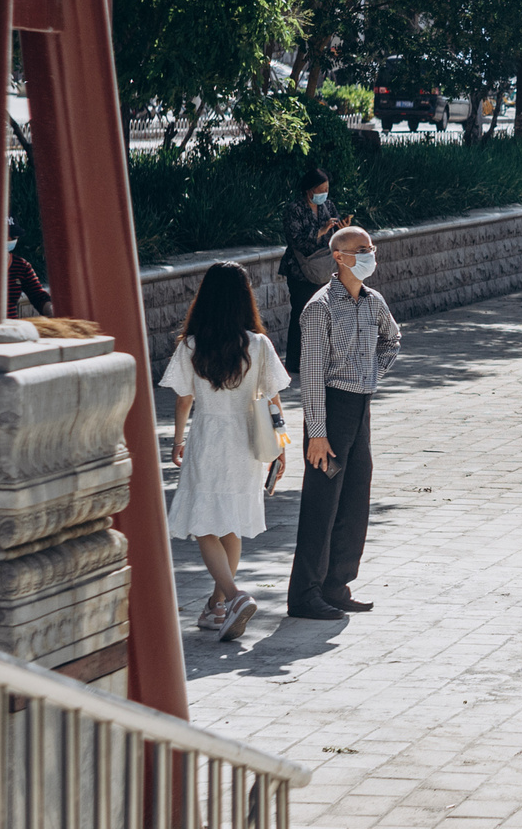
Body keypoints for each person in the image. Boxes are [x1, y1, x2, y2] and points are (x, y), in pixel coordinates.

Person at [164, 261, 289, 642]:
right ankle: (217, 607)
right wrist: (281, 449)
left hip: (208, 437)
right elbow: (273, 400)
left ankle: (233, 596)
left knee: (204, 524)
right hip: (247, 441)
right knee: (231, 523)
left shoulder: (191, 344)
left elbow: (184, 399)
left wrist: (177, 440)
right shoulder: (259, 344)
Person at [289, 223, 400, 619]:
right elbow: (312, 375)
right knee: (323, 503)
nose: (370, 253)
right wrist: (316, 434)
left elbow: (393, 340)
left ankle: (337, 584)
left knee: (355, 498)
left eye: (371, 246)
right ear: (339, 257)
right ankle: (305, 593)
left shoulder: (373, 302)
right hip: (331, 412)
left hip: (360, 407)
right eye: (362, 248)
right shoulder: (319, 308)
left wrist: (371, 374)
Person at [281, 168, 343, 371]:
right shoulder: (294, 209)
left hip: (324, 267)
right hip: (300, 270)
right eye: (320, 189)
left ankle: (321, 358)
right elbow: (295, 240)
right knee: (301, 313)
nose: (324, 193)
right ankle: (296, 362)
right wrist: (320, 231)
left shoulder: (328, 205)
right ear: (309, 190)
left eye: (326, 189)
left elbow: (335, 234)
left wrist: (341, 228)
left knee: (325, 313)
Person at [7, 220, 53, 319]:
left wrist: (50, 310)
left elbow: (39, 296)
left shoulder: (21, 266)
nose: (10, 239)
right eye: (6, 236)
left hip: (11, 329)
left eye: (13, 236)